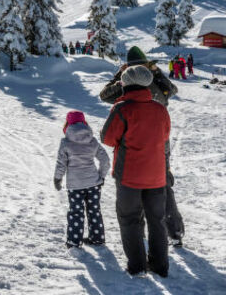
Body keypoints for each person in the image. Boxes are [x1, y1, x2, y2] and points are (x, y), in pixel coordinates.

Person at [99, 46, 184, 246]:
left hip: (135, 144)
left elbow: (104, 95)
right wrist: (156, 72)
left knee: (136, 190)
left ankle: (141, 234)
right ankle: (174, 230)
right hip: (159, 142)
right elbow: (171, 90)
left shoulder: (127, 84)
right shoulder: (153, 81)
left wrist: (120, 74)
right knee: (162, 186)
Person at [101, 65, 171, 277]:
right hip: (157, 175)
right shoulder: (160, 109)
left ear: (127, 84)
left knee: (130, 219)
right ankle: (160, 266)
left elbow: (107, 138)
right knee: (157, 220)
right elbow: (165, 135)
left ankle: (138, 266)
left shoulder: (122, 108)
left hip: (129, 176)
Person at [54, 111, 110, 248]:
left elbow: (61, 163)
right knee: (94, 211)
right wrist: (101, 176)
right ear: (84, 123)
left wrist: (57, 178)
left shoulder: (66, 142)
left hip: (75, 186)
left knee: (76, 212)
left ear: (67, 124)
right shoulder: (92, 140)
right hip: (93, 183)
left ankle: (74, 241)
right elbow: (105, 160)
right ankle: (97, 238)